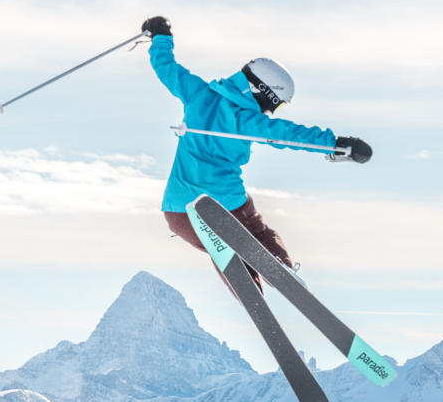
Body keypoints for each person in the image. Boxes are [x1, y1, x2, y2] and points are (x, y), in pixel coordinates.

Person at [143, 15, 371, 294]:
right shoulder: (245, 121)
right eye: (276, 105)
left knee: (224, 247)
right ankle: (281, 270)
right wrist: (337, 144)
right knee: (256, 230)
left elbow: (167, 68)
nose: (272, 112)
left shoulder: (198, 93)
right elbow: (290, 134)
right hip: (225, 206)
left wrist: (160, 36)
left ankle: (247, 289)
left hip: (178, 212)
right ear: (265, 93)